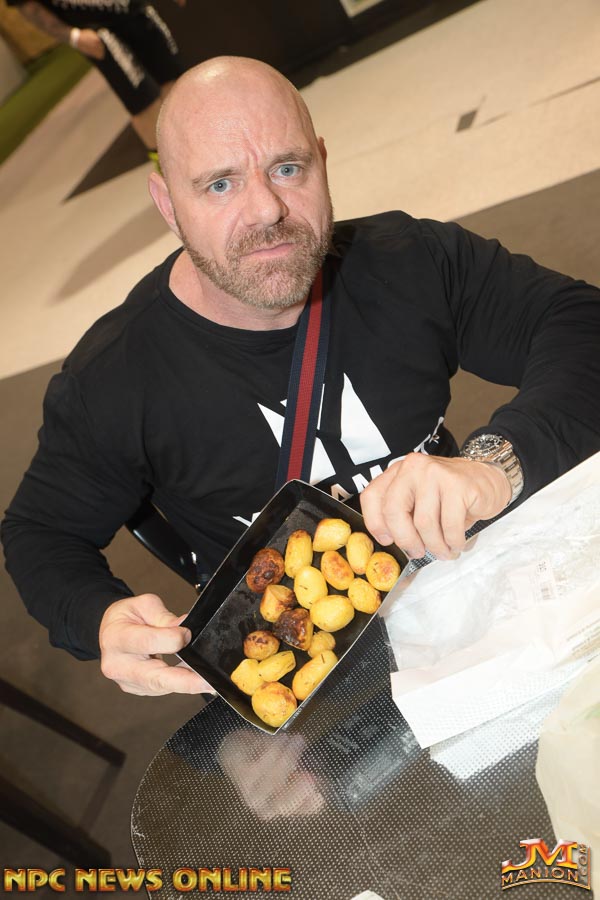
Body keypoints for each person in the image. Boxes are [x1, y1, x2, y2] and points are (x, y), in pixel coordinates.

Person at [2, 57, 600, 699]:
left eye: (287, 169)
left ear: (322, 161)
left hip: (475, 589)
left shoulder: (409, 263)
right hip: (308, 683)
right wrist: (98, 618)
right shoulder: (114, 377)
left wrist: (495, 465)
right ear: (168, 206)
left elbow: (580, 323)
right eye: (220, 184)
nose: (267, 209)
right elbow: (42, 534)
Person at [8, 0, 186, 154]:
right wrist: (73, 36)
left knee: (174, 79)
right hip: (98, 31)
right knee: (143, 101)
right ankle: (166, 170)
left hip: (136, 11)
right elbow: (27, 5)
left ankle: (191, 144)